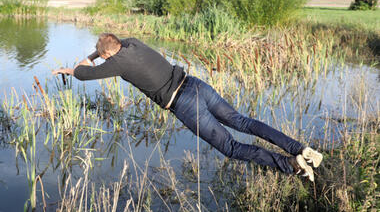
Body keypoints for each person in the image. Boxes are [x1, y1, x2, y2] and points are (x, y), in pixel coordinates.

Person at [52, 33, 323, 181]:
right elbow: (108, 47)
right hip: (195, 84)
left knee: (231, 147)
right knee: (243, 122)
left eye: (104, 56)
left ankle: (291, 165)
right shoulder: (132, 41)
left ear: (108, 55)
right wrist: (95, 54)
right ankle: (300, 149)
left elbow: (83, 74)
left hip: (183, 103)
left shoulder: (117, 63)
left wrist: (77, 66)